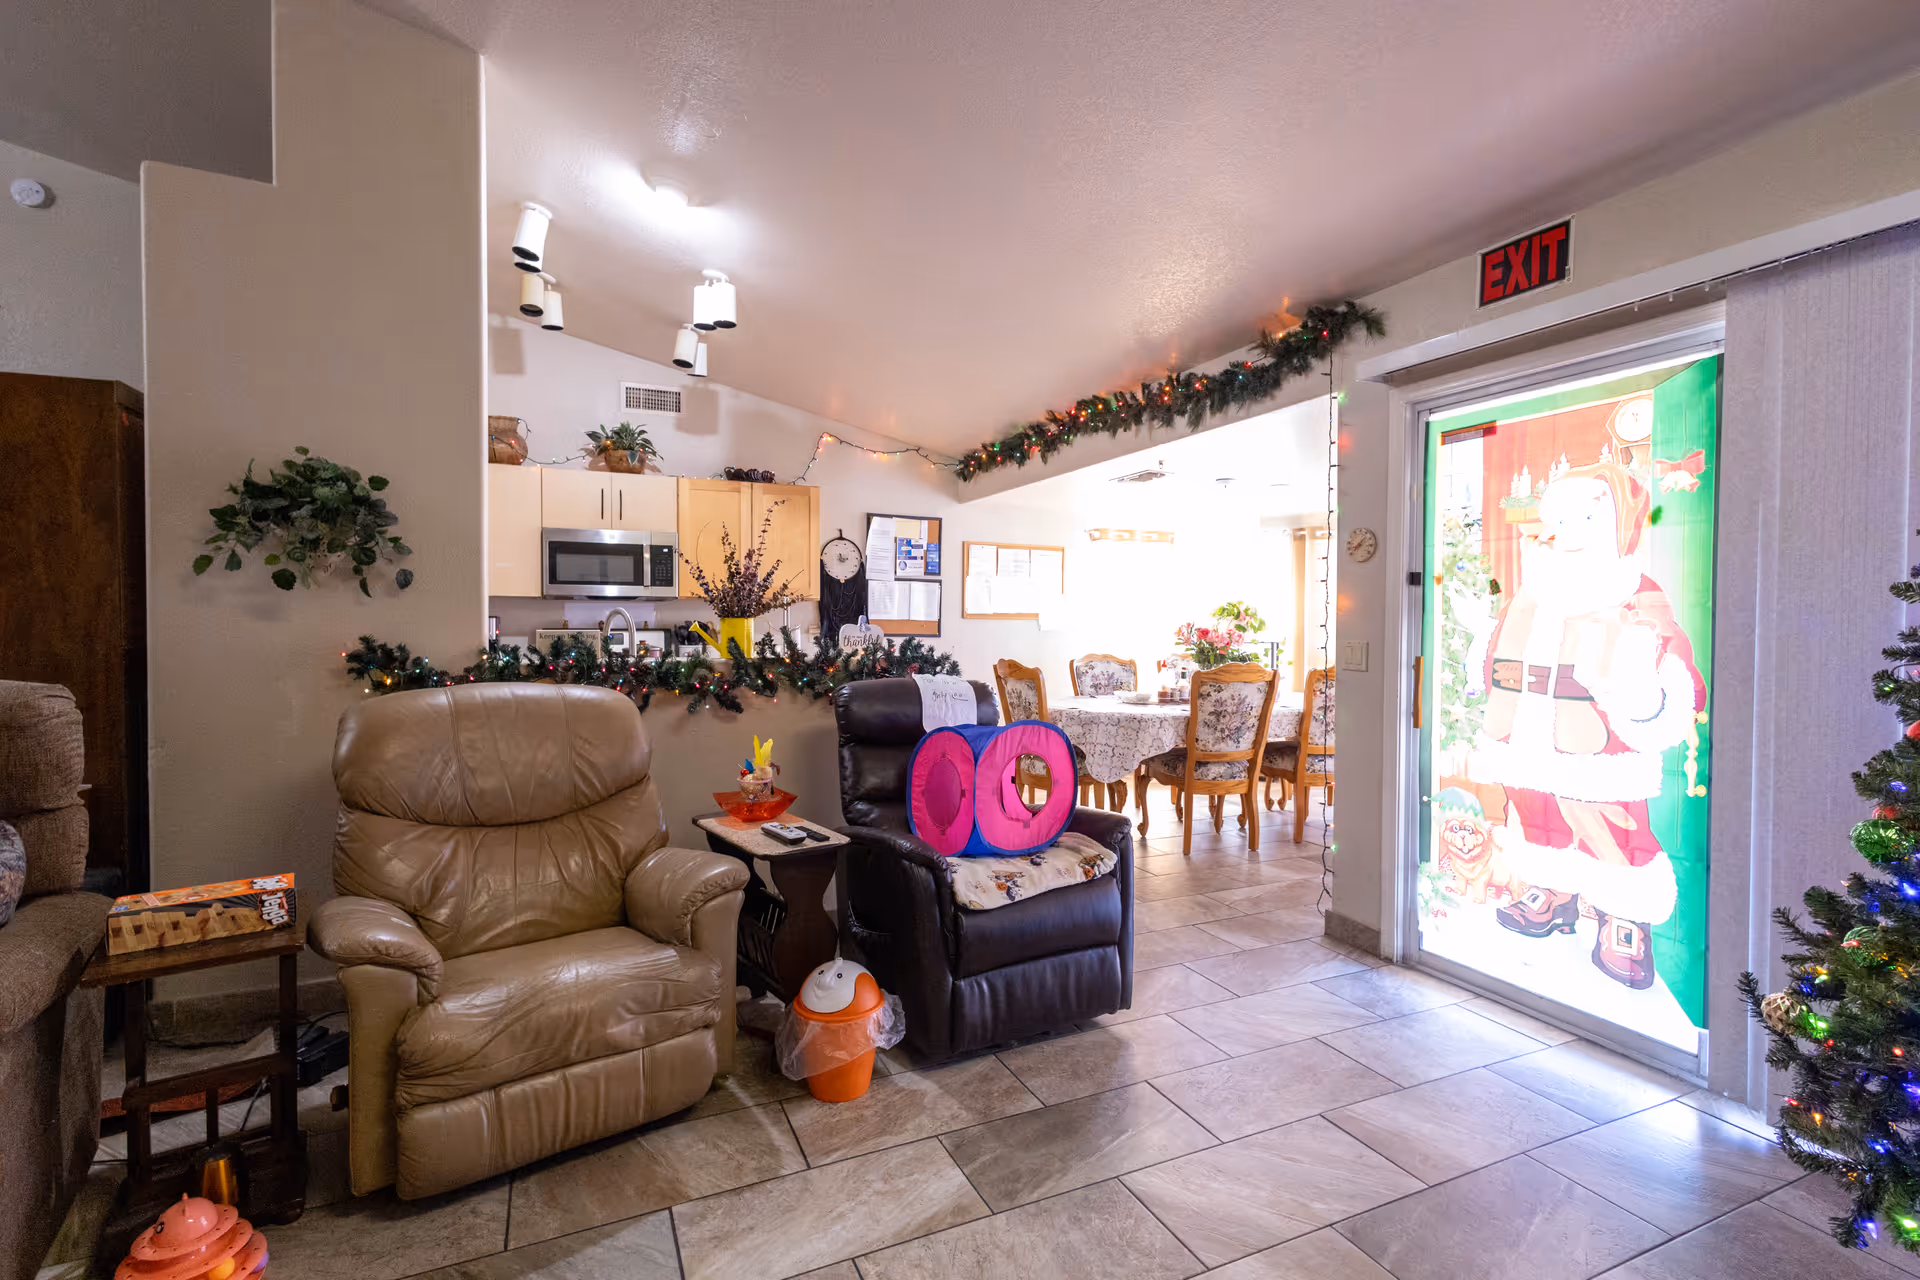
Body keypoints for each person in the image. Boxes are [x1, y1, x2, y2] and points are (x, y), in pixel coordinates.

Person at [1467, 461, 1705, 990]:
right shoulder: (1529, 594)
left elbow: (1674, 669)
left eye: (1585, 520)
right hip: (1523, 743)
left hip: (1598, 751)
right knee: (1534, 818)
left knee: (1612, 830)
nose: (1567, 534)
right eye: (1558, 521)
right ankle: (1554, 892)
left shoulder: (1635, 593)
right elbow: (1497, 652)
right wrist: (1479, 657)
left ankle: (1622, 911)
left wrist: (1648, 694)